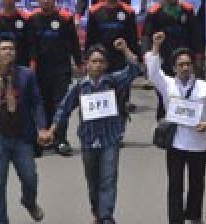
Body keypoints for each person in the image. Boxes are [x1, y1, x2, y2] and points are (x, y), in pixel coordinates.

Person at [40, 38, 142, 224]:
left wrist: (125, 49)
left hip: (110, 138)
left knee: (108, 179)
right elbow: (63, 109)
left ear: (106, 64)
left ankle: (106, 216)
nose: (97, 65)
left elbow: (134, 70)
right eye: (93, 61)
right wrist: (52, 130)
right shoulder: (79, 87)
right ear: (86, 64)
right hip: (88, 140)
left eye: (101, 62)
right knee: (93, 181)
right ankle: (97, 212)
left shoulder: (113, 81)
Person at [145, 31, 206, 224]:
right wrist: (155, 47)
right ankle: (176, 220)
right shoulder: (168, 85)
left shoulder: (205, 88)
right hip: (176, 144)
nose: (185, 68)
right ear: (174, 68)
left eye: (188, 64)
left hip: (199, 144)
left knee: (197, 184)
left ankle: (195, 216)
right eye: (181, 65)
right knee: (175, 186)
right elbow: (153, 73)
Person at [0, 35, 46, 224]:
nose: (8, 52)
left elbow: (37, 102)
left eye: (11, 49)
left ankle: (29, 202)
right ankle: (1, 220)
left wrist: (41, 127)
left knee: (30, 178)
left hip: (22, 136)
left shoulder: (26, 75)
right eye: (4, 49)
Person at [24, 0, 81, 157]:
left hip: (61, 68)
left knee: (60, 104)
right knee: (42, 104)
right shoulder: (32, 19)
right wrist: (31, 66)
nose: (46, 0)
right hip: (40, 69)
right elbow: (30, 45)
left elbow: (73, 43)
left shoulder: (64, 18)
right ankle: (43, 138)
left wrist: (79, 63)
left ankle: (60, 139)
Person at [142, 0, 205, 118]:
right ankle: (163, 123)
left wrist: (199, 54)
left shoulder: (187, 10)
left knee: (186, 92)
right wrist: (147, 55)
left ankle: (184, 122)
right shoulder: (154, 12)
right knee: (164, 93)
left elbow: (196, 34)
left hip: (184, 58)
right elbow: (146, 35)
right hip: (164, 57)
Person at [85, 0, 140, 121]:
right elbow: (90, 39)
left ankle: (118, 131)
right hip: (100, 61)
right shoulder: (95, 12)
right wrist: (88, 60)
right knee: (101, 95)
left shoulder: (128, 11)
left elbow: (133, 39)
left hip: (121, 60)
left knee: (120, 96)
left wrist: (133, 57)